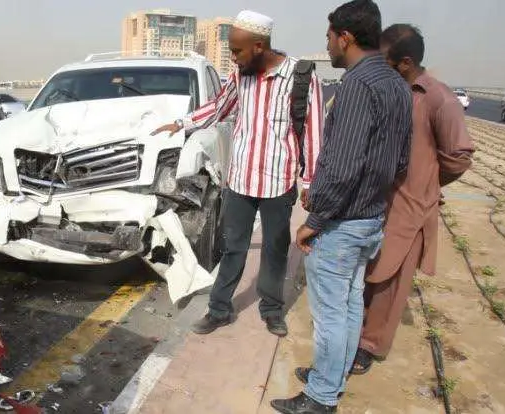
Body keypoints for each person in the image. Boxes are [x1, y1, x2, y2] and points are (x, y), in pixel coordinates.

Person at [270, 1, 412, 413]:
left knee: (331, 314)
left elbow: (343, 164)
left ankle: (320, 399)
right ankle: (331, 376)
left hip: (343, 222)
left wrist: (314, 221)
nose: (327, 44)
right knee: (349, 304)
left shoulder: (357, 85)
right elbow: (400, 160)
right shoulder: (396, 85)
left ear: (345, 37)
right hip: (370, 217)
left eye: (329, 37)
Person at [151, 10, 324, 337]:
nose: (233, 56)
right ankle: (219, 309)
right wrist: (182, 123)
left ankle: (271, 309)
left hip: (278, 181)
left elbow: (314, 133)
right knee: (233, 247)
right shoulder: (239, 75)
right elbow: (219, 107)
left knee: (274, 249)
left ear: (259, 46)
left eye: (237, 50)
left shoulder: (300, 77)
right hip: (241, 180)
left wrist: (311, 182)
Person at [350, 24, 474, 374]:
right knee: (368, 273)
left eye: (383, 60)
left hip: (409, 207)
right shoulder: (390, 91)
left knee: (389, 282)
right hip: (376, 200)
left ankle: (370, 346)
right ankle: (354, 333)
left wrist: (427, 184)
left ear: (404, 63)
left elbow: (458, 157)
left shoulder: (439, 99)